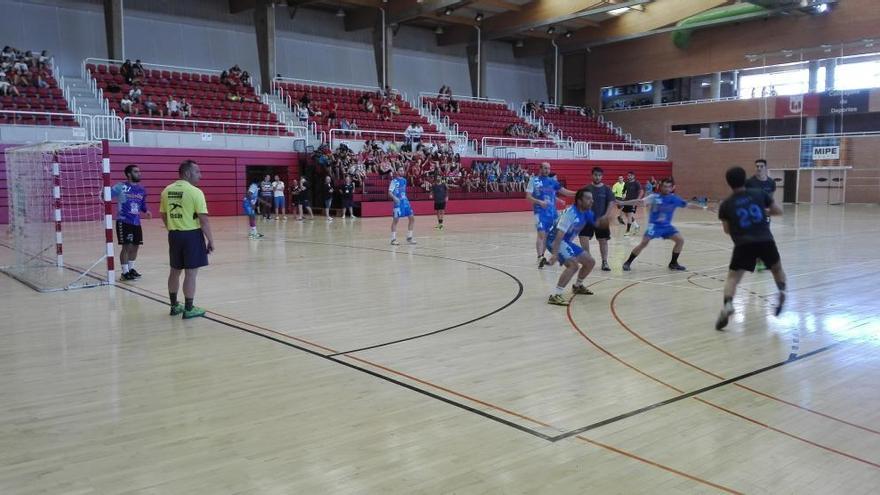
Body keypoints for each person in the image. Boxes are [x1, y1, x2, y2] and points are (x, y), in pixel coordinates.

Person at [715, 166, 787, 330]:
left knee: (733, 277)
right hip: (765, 240)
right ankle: (781, 290)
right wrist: (763, 213)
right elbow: (778, 211)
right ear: (745, 178)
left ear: (728, 183)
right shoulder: (758, 193)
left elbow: (726, 230)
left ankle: (728, 304)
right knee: (776, 268)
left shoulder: (726, 204)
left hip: (743, 244)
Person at [159, 160, 214, 319]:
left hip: (174, 235)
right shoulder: (195, 192)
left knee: (174, 271)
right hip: (191, 236)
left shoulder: (166, 190)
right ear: (188, 173)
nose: (200, 175)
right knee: (191, 274)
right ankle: (189, 308)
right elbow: (203, 220)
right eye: (197, 172)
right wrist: (210, 240)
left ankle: (174, 306)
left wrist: (171, 227)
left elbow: (163, 214)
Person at [546, 188, 614, 306]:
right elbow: (559, 235)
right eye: (588, 198)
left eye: (592, 198)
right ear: (579, 201)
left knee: (590, 262)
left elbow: (597, 224)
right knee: (573, 265)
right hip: (554, 240)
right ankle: (556, 295)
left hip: (565, 241)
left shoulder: (587, 212)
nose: (592, 201)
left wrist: (606, 220)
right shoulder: (570, 214)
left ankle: (577, 286)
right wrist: (555, 254)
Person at [619, 177, 701, 272]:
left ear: (672, 188)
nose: (666, 188)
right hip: (654, 226)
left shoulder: (674, 198)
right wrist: (622, 202)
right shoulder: (654, 197)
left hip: (666, 227)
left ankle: (673, 263)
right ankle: (628, 262)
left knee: (680, 240)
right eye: (664, 186)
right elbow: (639, 202)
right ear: (660, 186)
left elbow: (688, 205)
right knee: (643, 243)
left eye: (668, 187)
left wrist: (703, 207)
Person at [526, 162, 576, 268]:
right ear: (540, 169)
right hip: (539, 213)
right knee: (541, 234)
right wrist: (539, 202)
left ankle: (549, 256)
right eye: (544, 168)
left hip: (553, 214)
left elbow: (565, 192)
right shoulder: (533, 180)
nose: (547, 170)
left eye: (548, 168)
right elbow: (528, 197)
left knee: (550, 237)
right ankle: (540, 257)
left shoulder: (553, 182)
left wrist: (578, 193)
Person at [111, 164, 151, 281]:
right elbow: (106, 195)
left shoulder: (141, 189)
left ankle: (131, 269)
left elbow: (142, 204)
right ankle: (124, 272)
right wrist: (103, 192)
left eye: (139, 171)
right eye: (136, 172)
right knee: (126, 246)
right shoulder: (121, 186)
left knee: (135, 246)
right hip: (124, 221)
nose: (139, 173)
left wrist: (146, 211)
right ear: (129, 174)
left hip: (136, 222)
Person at [578, 167, 614, 271]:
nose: (597, 177)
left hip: (602, 219)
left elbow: (611, 202)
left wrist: (606, 216)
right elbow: (579, 203)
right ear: (592, 175)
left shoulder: (606, 189)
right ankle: (587, 259)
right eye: (595, 175)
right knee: (583, 238)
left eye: (599, 175)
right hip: (587, 220)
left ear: (602, 176)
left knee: (603, 241)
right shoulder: (586, 189)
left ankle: (604, 262)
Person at [745, 159, 777, 271]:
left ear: (765, 167)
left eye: (761, 166)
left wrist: (769, 209)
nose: (759, 168)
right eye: (757, 166)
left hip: (766, 215)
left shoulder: (771, 182)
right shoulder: (749, 182)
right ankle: (758, 261)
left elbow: (771, 198)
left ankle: (762, 261)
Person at [389, 166, 416, 245]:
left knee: (412, 218)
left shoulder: (404, 180)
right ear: (397, 172)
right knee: (395, 220)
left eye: (403, 170)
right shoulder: (394, 181)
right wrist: (395, 198)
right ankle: (393, 239)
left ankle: (409, 237)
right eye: (400, 170)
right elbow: (389, 192)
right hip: (397, 203)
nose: (402, 172)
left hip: (405, 202)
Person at [622, 171, 642, 236]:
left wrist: (637, 199)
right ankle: (636, 226)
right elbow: (624, 191)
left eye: (630, 175)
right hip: (626, 201)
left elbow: (641, 191)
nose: (629, 177)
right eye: (628, 175)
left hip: (633, 202)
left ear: (633, 176)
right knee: (626, 215)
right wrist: (623, 195)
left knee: (629, 216)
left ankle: (627, 231)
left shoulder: (636, 183)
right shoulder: (626, 183)